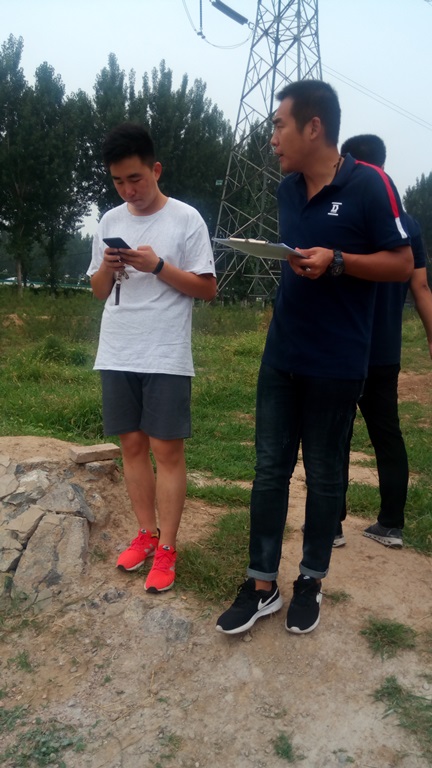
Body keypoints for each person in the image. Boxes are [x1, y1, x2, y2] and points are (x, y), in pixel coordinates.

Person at [216, 80, 413, 637]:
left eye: (279, 125)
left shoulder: (370, 183)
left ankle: (310, 581)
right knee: (268, 472)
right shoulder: (287, 190)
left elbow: (402, 263)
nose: (272, 137)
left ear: (313, 127)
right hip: (282, 353)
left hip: (338, 360)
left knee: (325, 477)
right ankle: (261, 585)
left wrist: (339, 260)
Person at [87, 123, 216, 593]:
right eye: (119, 181)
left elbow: (207, 288)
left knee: (167, 451)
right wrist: (108, 267)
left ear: (155, 170)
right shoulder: (109, 222)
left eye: (136, 178)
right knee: (132, 446)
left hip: (164, 352)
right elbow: (98, 291)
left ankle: (168, 547)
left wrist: (157, 266)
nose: (128, 190)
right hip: (117, 348)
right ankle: (145, 533)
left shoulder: (186, 219)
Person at [338, 134, 432, 549]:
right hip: (385, 351)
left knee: (335, 436)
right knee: (387, 435)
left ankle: (331, 524)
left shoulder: (347, 215)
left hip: (343, 349)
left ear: (352, 163)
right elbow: (421, 287)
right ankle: (391, 524)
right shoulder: (407, 225)